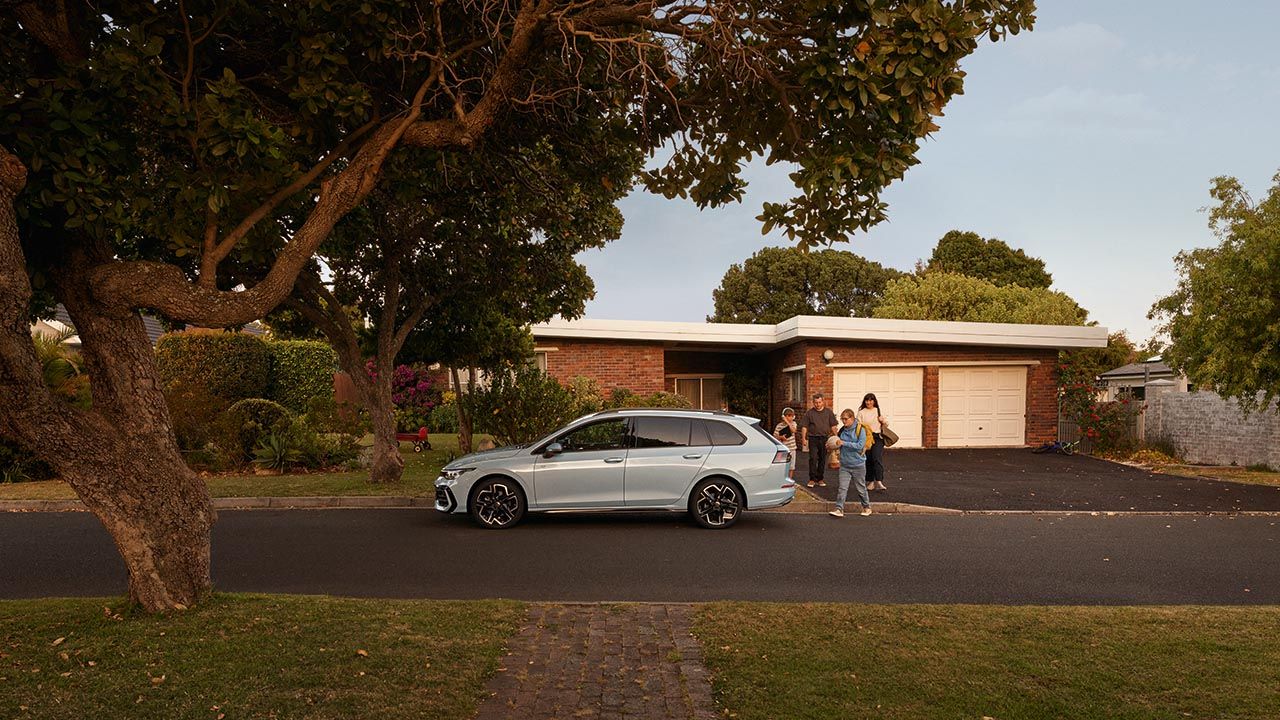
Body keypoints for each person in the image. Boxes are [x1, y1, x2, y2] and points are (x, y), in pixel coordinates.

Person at [829, 409, 872, 518]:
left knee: (861, 488)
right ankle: (839, 509)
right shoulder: (843, 430)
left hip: (858, 464)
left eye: (846, 419)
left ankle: (866, 507)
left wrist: (844, 443)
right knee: (842, 488)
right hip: (845, 465)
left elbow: (860, 445)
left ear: (852, 418)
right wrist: (832, 445)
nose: (844, 421)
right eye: (842, 419)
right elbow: (837, 442)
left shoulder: (860, 429)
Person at [799, 393, 838, 488]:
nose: (818, 404)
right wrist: (803, 438)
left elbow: (833, 426)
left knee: (822, 459)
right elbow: (804, 427)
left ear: (823, 401)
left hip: (825, 438)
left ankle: (820, 479)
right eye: (816, 402)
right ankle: (812, 479)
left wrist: (837, 437)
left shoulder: (828, 412)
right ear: (813, 402)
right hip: (813, 438)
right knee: (813, 458)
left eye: (819, 402)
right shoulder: (810, 413)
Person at [855, 393, 888, 491]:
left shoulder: (878, 411)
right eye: (867, 400)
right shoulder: (861, 412)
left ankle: (879, 481)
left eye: (871, 400)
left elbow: (886, 424)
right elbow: (858, 426)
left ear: (874, 401)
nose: (868, 402)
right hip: (866, 437)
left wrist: (882, 421)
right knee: (868, 460)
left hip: (877, 437)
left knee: (877, 458)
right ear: (864, 401)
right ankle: (870, 482)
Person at [773, 407, 798, 480]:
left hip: (792, 448)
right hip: (783, 448)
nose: (789, 418)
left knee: (791, 466)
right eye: (787, 416)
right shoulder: (779, 425)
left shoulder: (793, 424)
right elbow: (774, 436)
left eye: (790, 416)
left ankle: (789, 479)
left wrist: (788, 423)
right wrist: (780, 437)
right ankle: (782, 479)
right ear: (783, 416)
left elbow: (794, 430)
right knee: (782, 465)